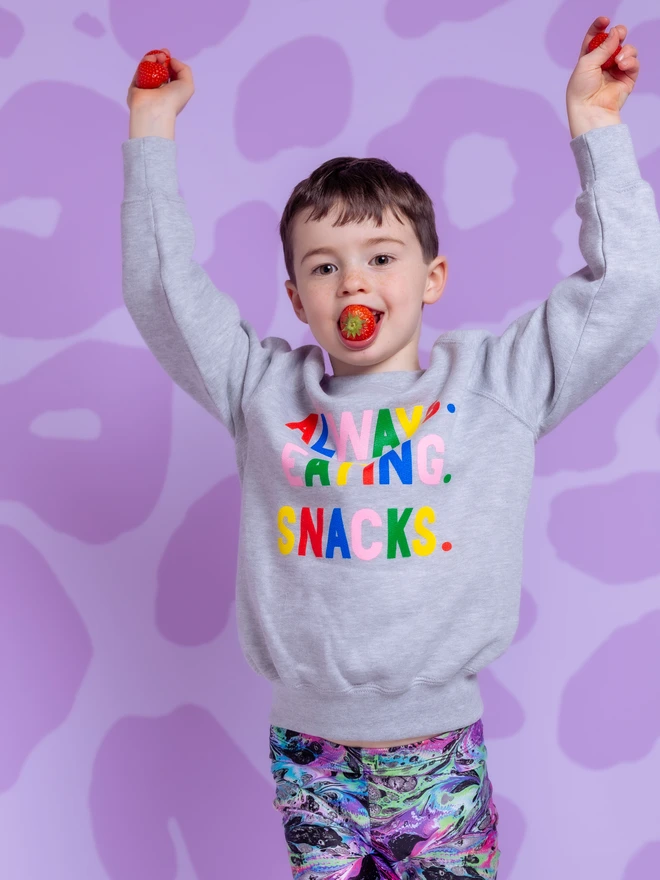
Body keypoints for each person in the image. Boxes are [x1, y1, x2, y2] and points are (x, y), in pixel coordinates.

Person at [122, 16, 658, 879]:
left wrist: (595, 125)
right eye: (325, 266)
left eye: (380, 255)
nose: (356, 281)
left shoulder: (495, 384)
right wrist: (152, 125)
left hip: (439, 751)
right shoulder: (263, 392)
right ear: (297, 299)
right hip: (310, 757)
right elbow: (160, 291)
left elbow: (628, 290)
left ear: (431, 279)